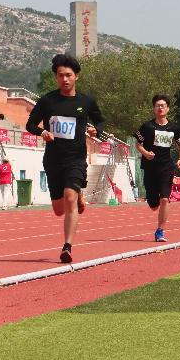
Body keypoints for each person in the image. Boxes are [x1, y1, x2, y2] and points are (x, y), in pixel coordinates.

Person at [26, 53, 105, 263]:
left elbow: (100, 121)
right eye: (61, 75)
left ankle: (67, 247)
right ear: (56, 77)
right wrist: (42, 132)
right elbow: (30, 124)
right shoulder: (47, 101)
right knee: (58, 210)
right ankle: (77, 195)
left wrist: (96, 130)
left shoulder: (86, 101)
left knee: (69, 197)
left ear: (76, 76)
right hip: (53, 159)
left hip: (76, 159)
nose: (65, 79)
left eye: (68, 75)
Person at [134, 94, 180, 242]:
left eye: (163, 106)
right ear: (154, 109)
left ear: (167, 108)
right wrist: (145, 153)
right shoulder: (147, 127)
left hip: (166, 168)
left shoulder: (174, 128)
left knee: (164, 199)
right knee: (153, 205)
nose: (160, 108)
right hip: (150, 168)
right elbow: (138, 144)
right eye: (157, 106)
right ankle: (154, 201)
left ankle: (160, 231)